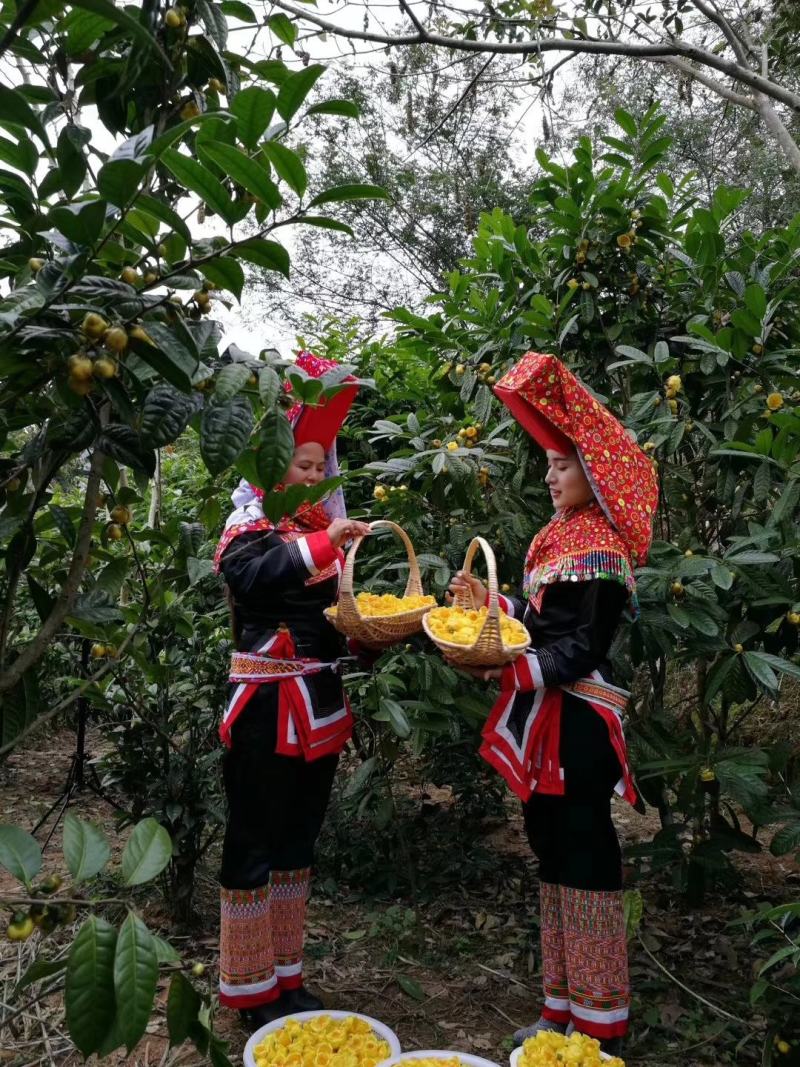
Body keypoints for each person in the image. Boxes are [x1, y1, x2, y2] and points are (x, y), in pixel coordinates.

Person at [449, 352, 657, 1057]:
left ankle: (601, 1022)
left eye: (561, 464)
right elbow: (538, 622)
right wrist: (491, 607)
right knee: (547, 848)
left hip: (580, 726)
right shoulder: (554, 540)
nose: (549, 473)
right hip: (545, 719)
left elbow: (580, 646)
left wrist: (511, 668)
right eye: (548, 463)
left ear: (592, 475)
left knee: (586, 854)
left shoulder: (603, 551)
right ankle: (559, 1007)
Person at [213, 351, 371, 1033]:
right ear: (272, 465)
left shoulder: (320, 533)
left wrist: (366, 628)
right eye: (301, 463)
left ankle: (287, 977)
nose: (311, 474)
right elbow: (251, 576)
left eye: (319, 466)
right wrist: (322, 549)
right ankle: (248, 990)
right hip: (265, 707)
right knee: (253, 838)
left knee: (298, 841)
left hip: (320, 707)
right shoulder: (251, 528)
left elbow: (337, 623)